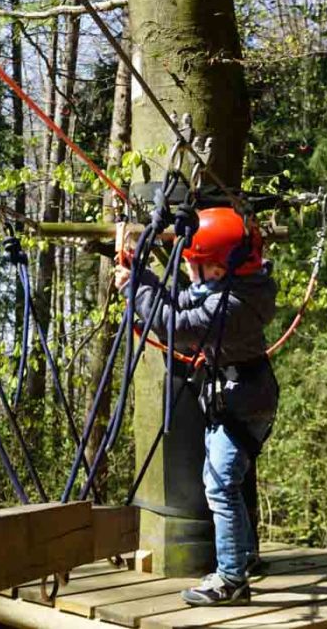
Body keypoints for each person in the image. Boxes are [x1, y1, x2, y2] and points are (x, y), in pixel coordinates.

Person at [114, 206, 279, 606]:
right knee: (228, 480)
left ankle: (231, 579)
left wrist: (133, 289)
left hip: (243, 403)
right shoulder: (234, 286)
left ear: (220, 269)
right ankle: (240, 556)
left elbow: (177, 326)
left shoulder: (231, 306)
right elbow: (179, 302)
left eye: (196, 264)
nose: (189, 271)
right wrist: (142, 274)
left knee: (220, 485)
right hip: (240, 396)